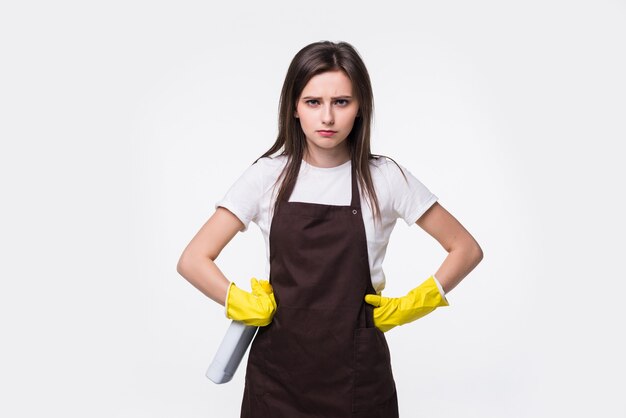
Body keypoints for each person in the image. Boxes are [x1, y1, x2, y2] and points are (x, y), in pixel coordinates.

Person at [177, 40, 483, 418]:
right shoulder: (267, 176)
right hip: (277, 381)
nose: (327, 117)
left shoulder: (386, 178)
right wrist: (235, 299)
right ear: (294, 107)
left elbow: (465, 249)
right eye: (313, 102)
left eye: (341, 102)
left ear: (360, 109)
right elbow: (193, 259)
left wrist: (414, 303)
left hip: (359, 379)